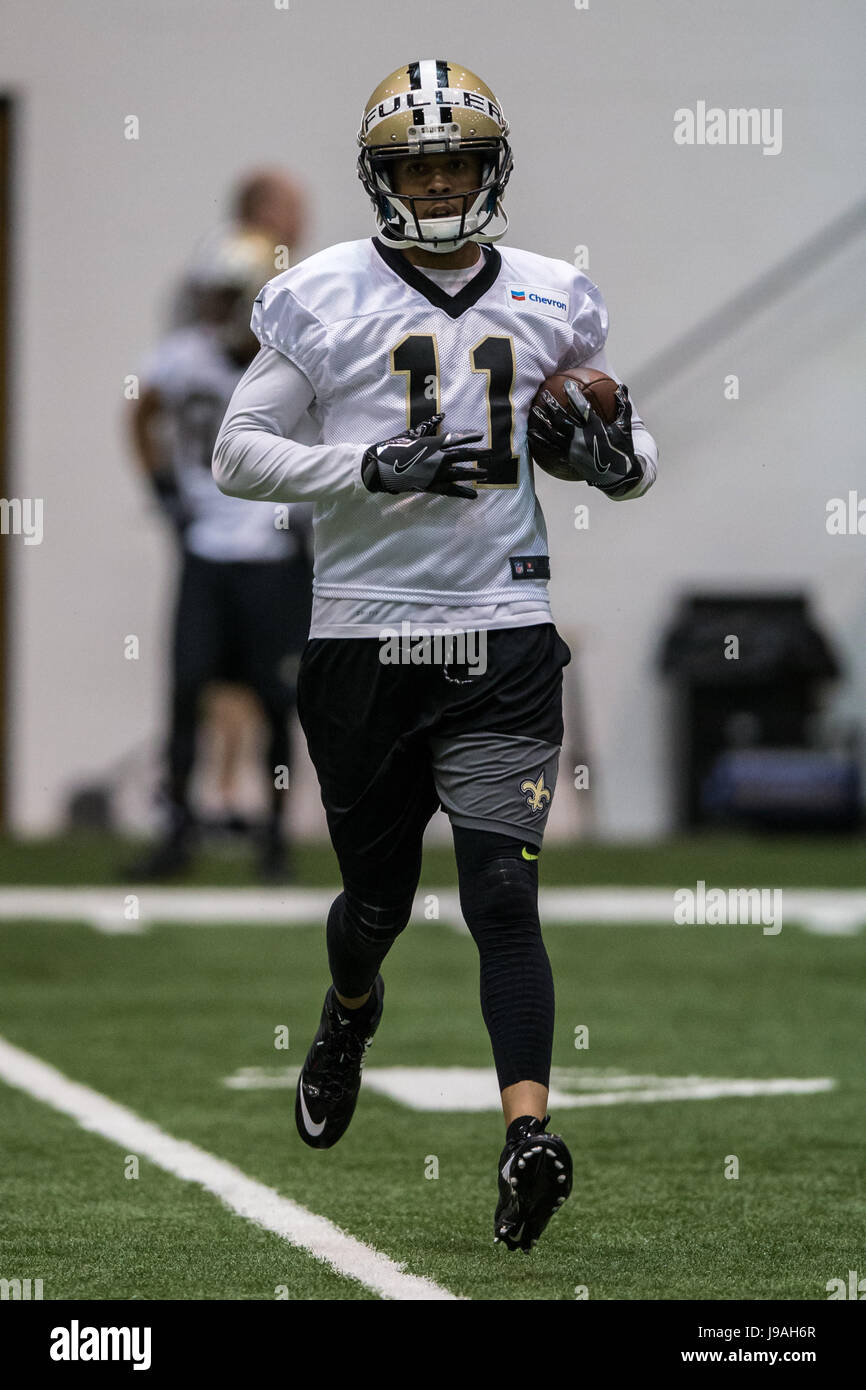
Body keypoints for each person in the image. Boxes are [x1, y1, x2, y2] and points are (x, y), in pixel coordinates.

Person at [213, 60, 658, 1251]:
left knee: (502, 893)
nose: (442, 179)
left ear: (490, 167)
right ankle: (346, 1013)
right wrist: (361, 467)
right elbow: (237, 452)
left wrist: (618, 461)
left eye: (456, 158)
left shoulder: (555, 295)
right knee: (376, 901)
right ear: (383, 177)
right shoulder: (321, 294)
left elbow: (623, 435)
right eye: (419, 164)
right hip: (363, 635)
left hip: (503, 631)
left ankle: (526, 1136)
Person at [129, 231, 312, 881]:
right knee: (185, 689)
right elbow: (140, 408)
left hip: (272, 553)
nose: (214, 306)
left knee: (277, 699)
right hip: (207, 549)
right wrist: (163, 489)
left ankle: (275, 843)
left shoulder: (293, 360)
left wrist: (309, 517)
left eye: (227, 294)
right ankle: (176, 835)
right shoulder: (184, 358)